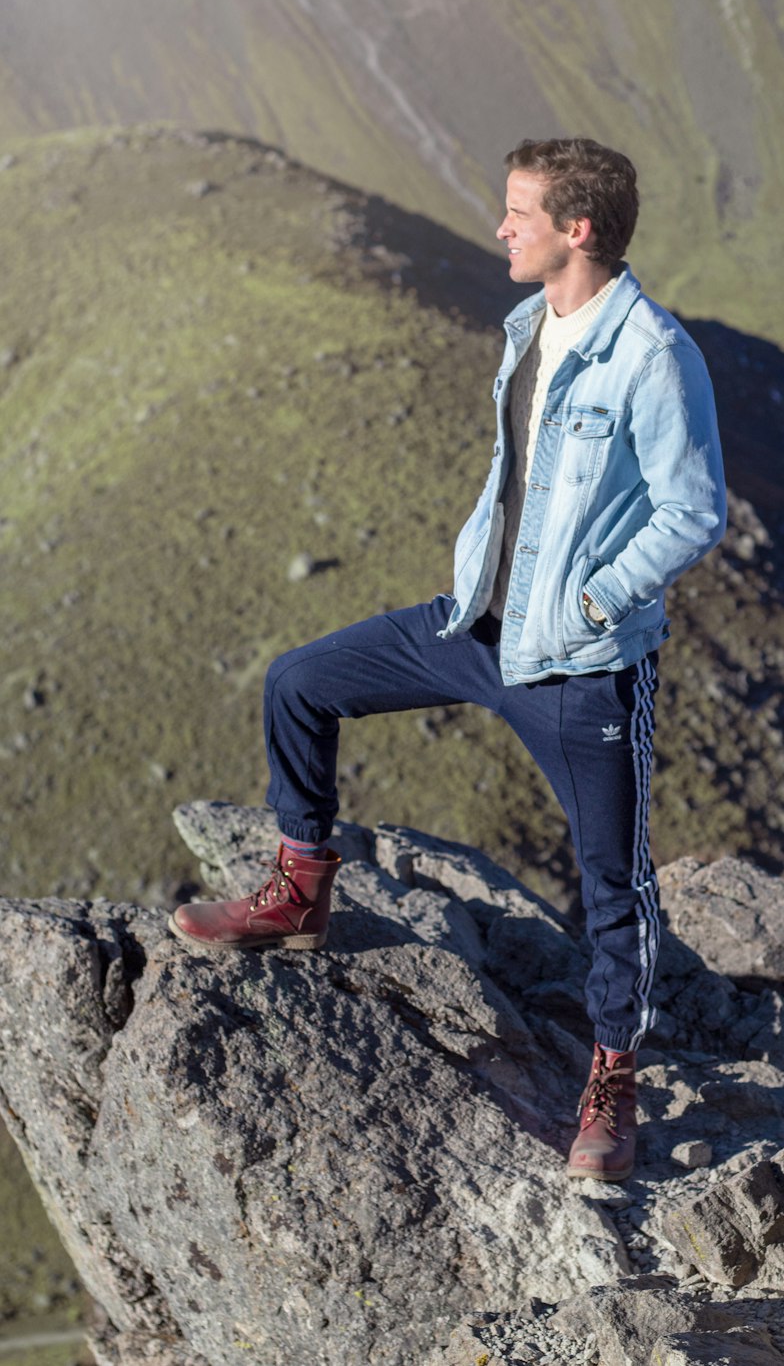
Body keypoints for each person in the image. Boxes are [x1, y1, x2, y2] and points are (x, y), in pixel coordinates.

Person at [169, 137, 727, 1181]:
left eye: (520, 213)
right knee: (299, 682)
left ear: (579, 230)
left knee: (613, 886)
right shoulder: (528, 326)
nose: (500, 228)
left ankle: (611, 1083)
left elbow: (694, 512)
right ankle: (300, 886)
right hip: (478, 626)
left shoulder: (653, 353)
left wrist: (595, 598)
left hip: (581, 664)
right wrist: (483, 564)